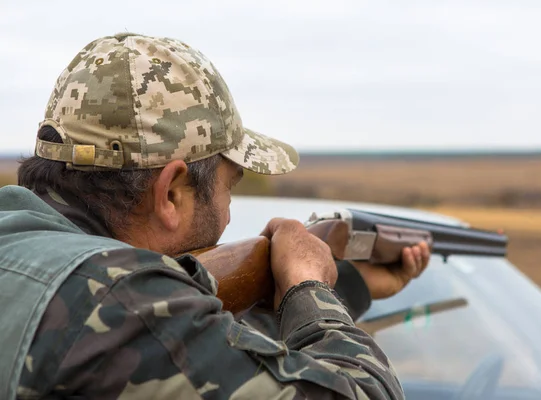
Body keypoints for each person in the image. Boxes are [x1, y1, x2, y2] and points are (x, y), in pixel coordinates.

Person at [0, 32, 430, 399]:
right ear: (170, 194)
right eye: (231, 186)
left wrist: (346, 285)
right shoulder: (125, 301)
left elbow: (206, 357)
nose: (227, 215)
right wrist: (309, 286)